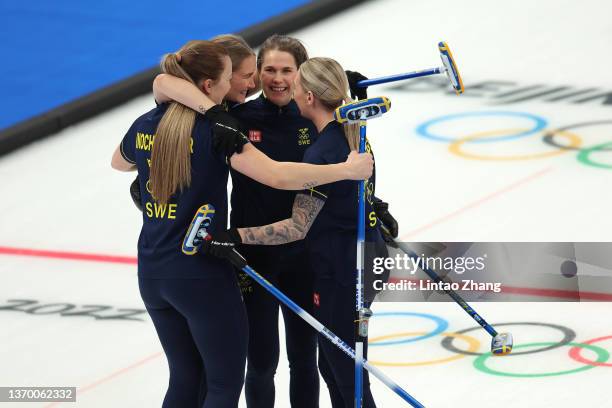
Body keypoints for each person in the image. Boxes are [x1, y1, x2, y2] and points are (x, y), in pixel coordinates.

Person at [111, 41, 374, 408]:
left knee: (200, 376)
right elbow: (278, 176)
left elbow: (125, 154)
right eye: (249, 75)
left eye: (287, 73)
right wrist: (345, 170)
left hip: (169, 266)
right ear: (212, 84)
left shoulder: (151, 123)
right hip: (228, 262)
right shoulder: (225, 126)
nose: (252, 84)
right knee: (241, 373)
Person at [200, 57, 388, 408]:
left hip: (343, 272)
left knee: (347, 376)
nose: (291, 90)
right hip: (365, 259)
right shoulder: (355, 134)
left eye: (298, 84)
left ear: (311, 98)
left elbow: (296, 227)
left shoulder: (320, 155)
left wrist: (237, 236)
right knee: (332, 368)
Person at [153, 34, 319, 408]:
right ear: (255, 74)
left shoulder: (313, 115)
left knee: (305, 360)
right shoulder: (236, 116)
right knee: (260, 364)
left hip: (304, 257)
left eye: (287, 71)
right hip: (250, 257)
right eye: (268, 70)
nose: (277, 79)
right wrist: (214, 113)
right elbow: (163, 83)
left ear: (302, 74)